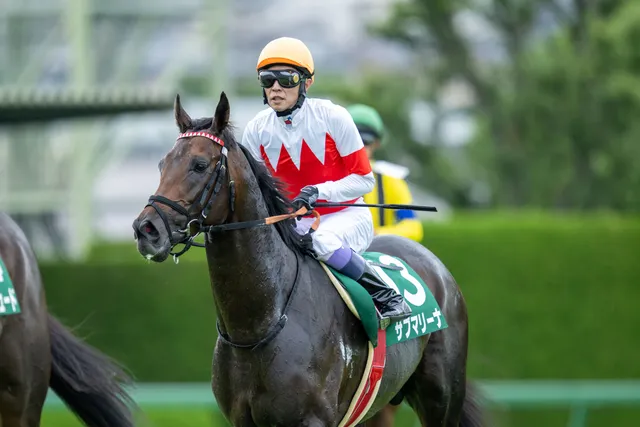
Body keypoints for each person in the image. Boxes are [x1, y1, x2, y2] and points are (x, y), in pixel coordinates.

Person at [240, 37, 411, 324]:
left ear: (306, 82)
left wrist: (319, 192)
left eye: (287, 78)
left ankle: (386, 295)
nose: (276, 88)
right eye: (268, 79)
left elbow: (364, 180)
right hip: (294, 223)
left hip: (346, 215)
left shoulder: (334, 117)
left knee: (321, 240)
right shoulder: (255, 130)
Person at [346, 104, 424, 243]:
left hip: (375, 249)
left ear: (376, 144)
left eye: (365, 141)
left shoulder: (390, 178)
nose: (359, 147)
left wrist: (377, 234)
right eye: (353, 139)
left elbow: (413, 227)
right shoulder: (323, 174)